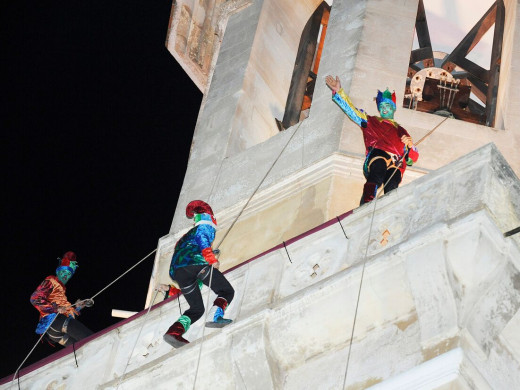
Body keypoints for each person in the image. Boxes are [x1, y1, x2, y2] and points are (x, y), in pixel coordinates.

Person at [325, 75, 419, 205]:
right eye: (381, 107)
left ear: (393, 108)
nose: (384, 109)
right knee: (377, 173)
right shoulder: (371, 121)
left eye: (387, 106)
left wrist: (410, 145)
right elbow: (352, 111)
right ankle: (367, 203)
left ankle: (389, 208)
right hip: (379, 154)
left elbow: (411, 159)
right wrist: (339, 92)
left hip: (396, 162)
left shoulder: (401, 130)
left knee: (392, 185)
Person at [163, 200, 235, 348]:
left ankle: (174, 332)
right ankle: (215, 316)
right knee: (226, 291)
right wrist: (211, 259)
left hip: (178, 272)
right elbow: (203, 241)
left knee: (196, 308)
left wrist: (170, 290)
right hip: (196, 263)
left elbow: (195, 284)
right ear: (209, 216)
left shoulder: (184, 238)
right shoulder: (205, 226)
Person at [30, 251, 94, 346]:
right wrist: (55, 308)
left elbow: (65, 312)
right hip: (55, 321)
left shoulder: (61, 290)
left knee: (81, 350)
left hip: (54, 332)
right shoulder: (51, 280)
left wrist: (78, 307)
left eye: (68, 274)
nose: (65, 275)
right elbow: (35, 299)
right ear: (58, 271)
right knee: (92, 340)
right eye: (63, 272)